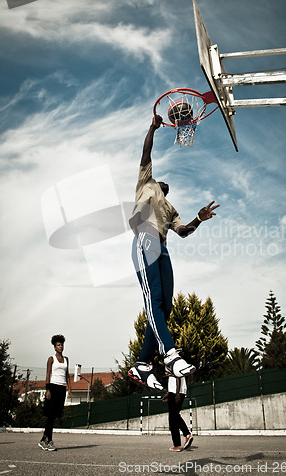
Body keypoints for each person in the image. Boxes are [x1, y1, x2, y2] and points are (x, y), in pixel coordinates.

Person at [128, 115, 219, 390]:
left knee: (165, 307)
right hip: (145, 237)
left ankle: (142, 364)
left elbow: (183, 231)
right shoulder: (147, 182)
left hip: (163, 248)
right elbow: (147, 151)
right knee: (153, 299)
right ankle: (169, 354)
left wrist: (199, 219)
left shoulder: (170, 208)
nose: (164, 184)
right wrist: (152, 128)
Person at [38, 334, 72, 451]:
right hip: (53, 387)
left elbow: (67, 375)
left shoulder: (66, 359)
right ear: (54, 347)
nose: (61, 347)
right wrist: (47, 389)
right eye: (58, 345)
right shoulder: (51, 359)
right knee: (50, 415)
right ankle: (49, 440)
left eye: (62, 345)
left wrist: (70, 388)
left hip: (62, 388)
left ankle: (44, 439)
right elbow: (48, 374)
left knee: (56, 415)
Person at [163, 375, 193, 452]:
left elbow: (177, 377)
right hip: (175, 392)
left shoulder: (173, 363)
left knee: (174, 416)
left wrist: (176, 394)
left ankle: (186, 434)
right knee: (173, 418)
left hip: (176, 392)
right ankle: (177, 445)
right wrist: (168, 393)